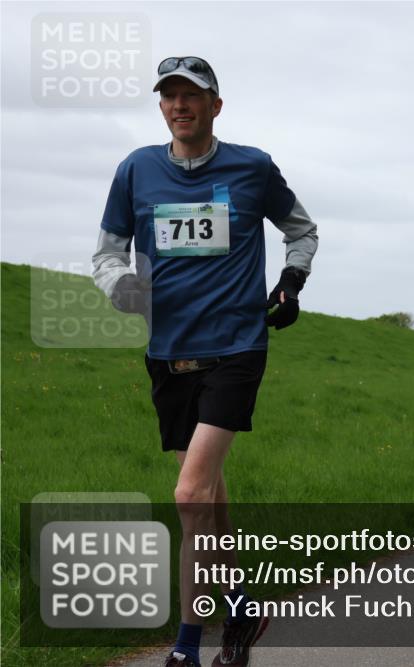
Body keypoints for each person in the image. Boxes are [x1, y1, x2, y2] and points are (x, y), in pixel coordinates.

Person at [92, 57, 318, 667]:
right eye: (169, 96)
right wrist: (121, 288)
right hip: (168, 352)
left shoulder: (252, 167)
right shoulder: (135, 169)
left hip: (237, 346)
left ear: (216, 105)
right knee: (209, 499)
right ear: (161, 106)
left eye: (192, 96)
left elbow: (302, 230)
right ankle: (242, 607)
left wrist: (291, 282)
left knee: (189, 493)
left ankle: (186, 648)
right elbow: (108, 251)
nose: (179, 105)